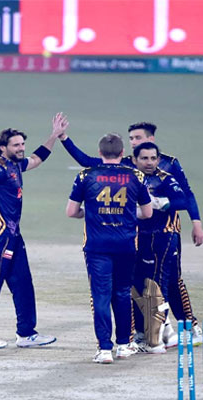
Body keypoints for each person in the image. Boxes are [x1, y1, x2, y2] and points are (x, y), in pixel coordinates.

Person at [58, 122, 202, 344]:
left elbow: (186, 197)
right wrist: (64, 139)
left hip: (165, 234)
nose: (133, 142)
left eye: (137, 138)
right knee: (136, 284)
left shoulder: (169, 167)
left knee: (169, 282)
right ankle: (149, 332)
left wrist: (193, 221)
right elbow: (91, 163)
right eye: (131, 139)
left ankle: (187, 327)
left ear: (150, 141)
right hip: (136, 235)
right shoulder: (129, 166)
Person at [0, 113, 67, 349]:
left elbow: (36, 159)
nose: (21, 148)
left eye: (22, 144)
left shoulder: (15, 165)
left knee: (22, 282)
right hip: (0, 233)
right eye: (16, 145)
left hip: (13, 234)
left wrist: (53, 136)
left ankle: (26, 333)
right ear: (3, 147)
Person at [66, 133, 153, 364]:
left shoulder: (86, 175)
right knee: (123, 293)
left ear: (100, 153)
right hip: (126, 244)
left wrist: (91, 214)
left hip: (97, 246)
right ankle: (124, 345)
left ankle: (105, 349)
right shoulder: (136, 176)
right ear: (123, 153)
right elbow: (147, 213)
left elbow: (71, 212)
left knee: (101, 296)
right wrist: (126, 216)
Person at [131, 142, 188, 353]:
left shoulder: (165, 178)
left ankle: (161, 333)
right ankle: (141, 333)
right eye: (144, 158)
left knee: (158, 287)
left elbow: (183, 200)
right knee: (136, 285)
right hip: (137, 238)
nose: (149, 162)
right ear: (135, 159)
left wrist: (159, 203)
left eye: (153, 158)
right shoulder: (130, 177)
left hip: (162, 239)